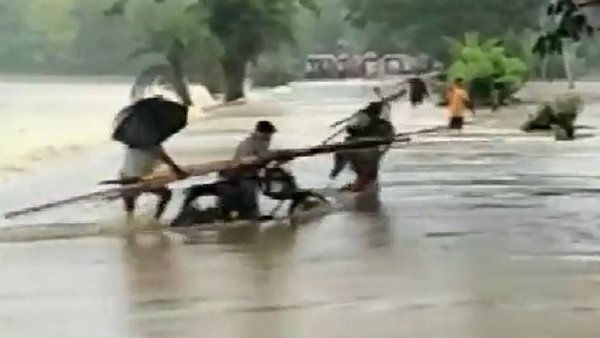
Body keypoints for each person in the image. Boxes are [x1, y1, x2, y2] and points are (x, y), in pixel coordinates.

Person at [329, 101, 396, 192]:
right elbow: (388, 137)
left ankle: (361, 186)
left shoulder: (362, 116)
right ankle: (362, 186)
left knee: (364, 171)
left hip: (358, 145)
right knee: (367, 171)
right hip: (366, 146)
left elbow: (350, 130)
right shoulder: (384, 125)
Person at [119, 145, 188, 222]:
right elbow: (166, 159)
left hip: (125, 177)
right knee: (166, 194)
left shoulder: (131, 145)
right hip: (141, 179)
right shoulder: (154, 146)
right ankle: (156, 219)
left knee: (130, 203)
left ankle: (129, 220)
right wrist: (178, 171)